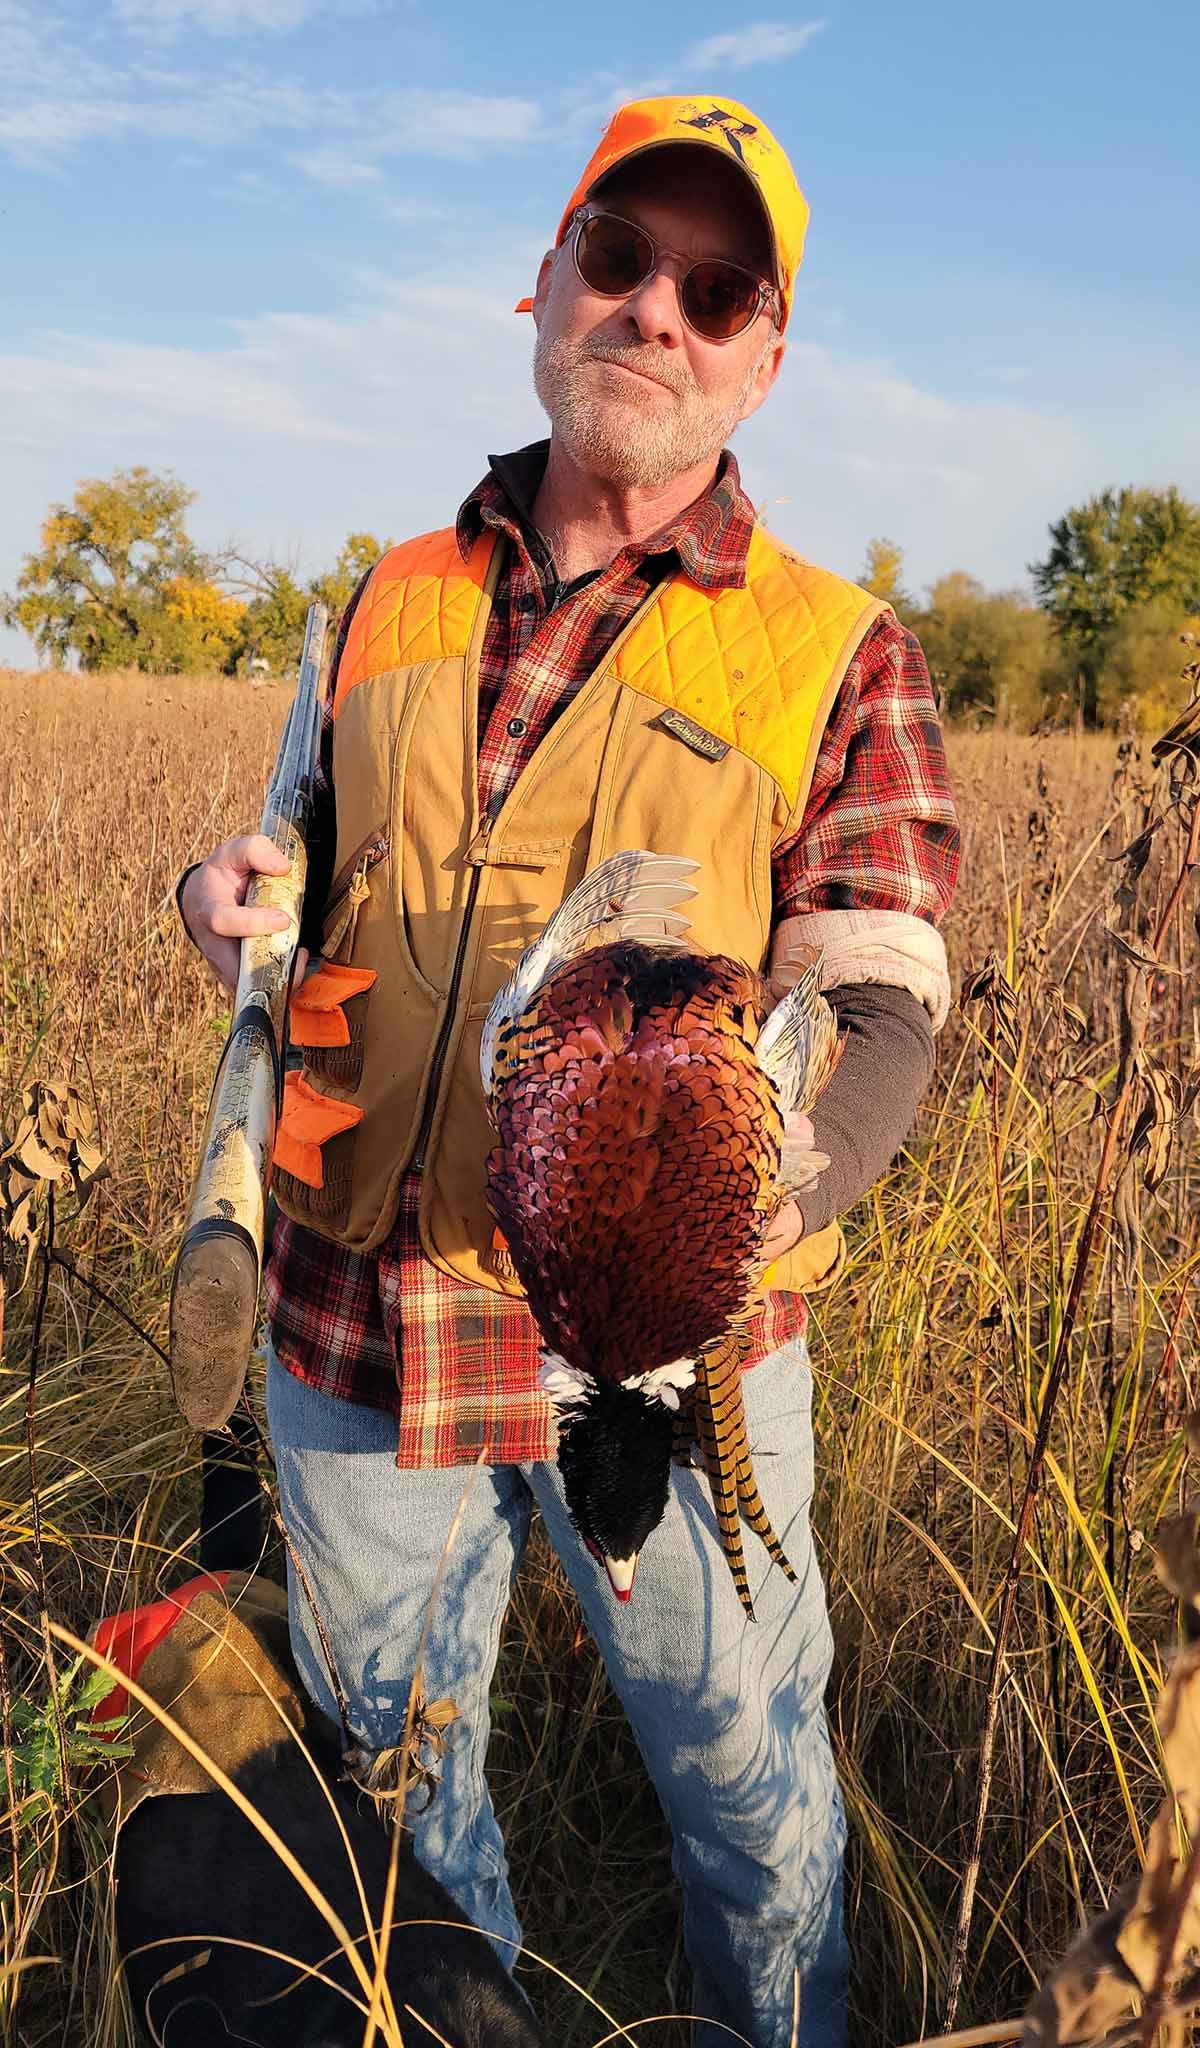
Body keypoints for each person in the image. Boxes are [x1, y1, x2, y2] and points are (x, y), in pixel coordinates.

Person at [177, 95, 959, 2048]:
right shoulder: (384, 596)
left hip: (667, 1342)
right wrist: (233, 897)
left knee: (749, 1780)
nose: (658, 311)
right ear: (547, 282)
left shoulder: (834, 651)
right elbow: (291, 859)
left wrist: (766, 1198)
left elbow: (888, 1005)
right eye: (622, 258)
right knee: (396, 1778)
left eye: (719, 287)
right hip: (359, 1311)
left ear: (766, 352)